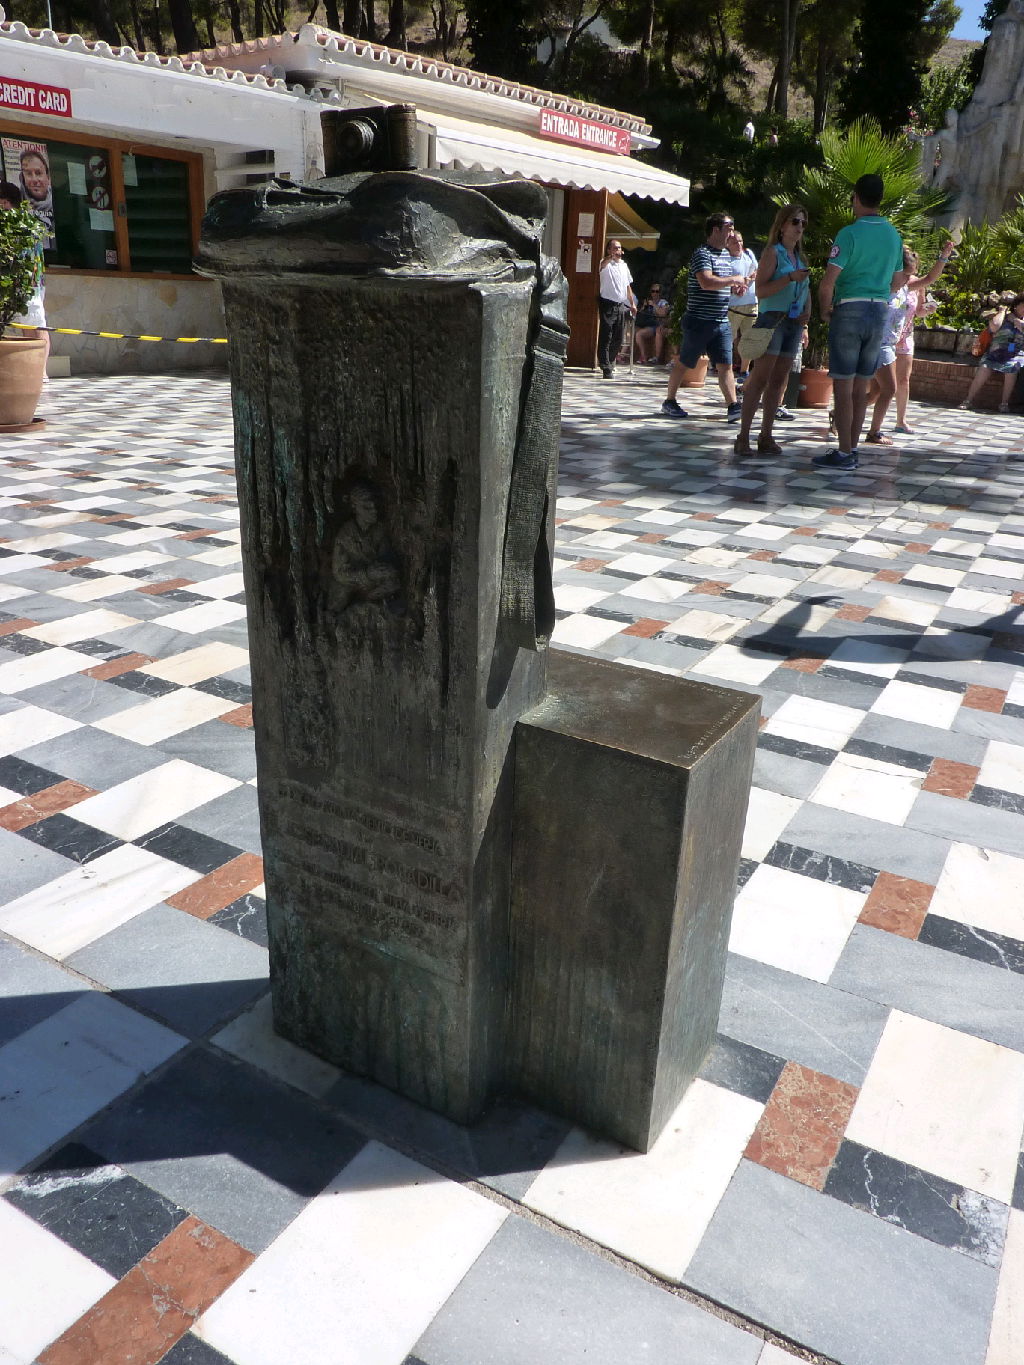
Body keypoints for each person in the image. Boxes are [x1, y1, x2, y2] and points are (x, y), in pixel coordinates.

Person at [815, 173, 904, 470]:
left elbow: (828, 282)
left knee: (842, 384)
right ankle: (851, 449)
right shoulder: (894, 235)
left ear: (856, 196)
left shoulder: (849, 233)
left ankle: (843, 451)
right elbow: (899, 279)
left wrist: (825, 310)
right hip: (879, 311)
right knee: (862, 384)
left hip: (849, 308)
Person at [733, 203, 811, 457]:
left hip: (793, 323)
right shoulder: (772, 253)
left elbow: (805, 289)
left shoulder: (800, 258)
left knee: (779, 382)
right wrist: (788, 278)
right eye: (795, 222)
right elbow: (760, 290)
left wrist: (806, 316)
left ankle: (766, 434)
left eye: (802, 223)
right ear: (783, 225)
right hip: (772, 319)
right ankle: (743, 435)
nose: (799, 227)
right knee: (760, 379)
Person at [863, 242, 955, 443]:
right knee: (888, 389)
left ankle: (843, 415)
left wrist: (943, 257)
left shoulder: (905, 287)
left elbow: (930, 278)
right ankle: (872, 432)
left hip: (891, 344)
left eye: (910, 275)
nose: (908, 278)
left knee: (877, 391)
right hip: (877, 344)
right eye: (905, 274)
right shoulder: (880, 288)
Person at [661, 212, 743, 423]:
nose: (732, 232)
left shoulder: (725, 255)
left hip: (720, 321)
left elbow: (722, 284)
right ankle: (669, 400)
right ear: (716, 229)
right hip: (699, 320)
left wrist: (735, 289)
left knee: (725, 364)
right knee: (686, 362)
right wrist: (732, 279)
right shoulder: (702, 254)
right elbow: (706, 282)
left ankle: (733, 405)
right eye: (729, 227)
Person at [0, 182, 49, 375]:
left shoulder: (21, 223)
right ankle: (32, 372)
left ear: (5, 202)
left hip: (29, 285)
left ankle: (40, 373)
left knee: (35, 327)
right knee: (28, 328)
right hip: (17, 286)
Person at [959, 295, 1024, 412]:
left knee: (1012, 369)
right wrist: (1002, 312)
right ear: (1016, 305)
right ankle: (968, 400)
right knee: (984, 368)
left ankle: (1004, 403)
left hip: (1014, 355)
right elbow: (994, 326)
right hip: (994, 354)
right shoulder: (1004, 317)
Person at [597, 239, 636, 379]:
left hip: (620, 305)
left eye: (619, 248)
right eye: (615, 248)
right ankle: (605, 366)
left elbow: (627, 287)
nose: (618, 251)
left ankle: (610, 361)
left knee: (618, 337)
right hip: (607, 303)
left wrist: (632, 304)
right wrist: (610, 257)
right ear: (609, 250)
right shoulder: (605, 264)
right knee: (606, 335)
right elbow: (602, 264)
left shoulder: (624, 266)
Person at [726, 231, 759, 383]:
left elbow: (756, 270)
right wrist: (734, 287)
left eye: (740, 241)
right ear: (728, 245)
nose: (738, 244)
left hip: (752, 303)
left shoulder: (749, 254)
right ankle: (726, 369)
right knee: (729, 339)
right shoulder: (726, 261)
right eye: (734, 242)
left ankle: (744, 371)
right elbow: (722, 282)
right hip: (733, 307)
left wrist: (753, 277)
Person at [18, 147, 54, 247]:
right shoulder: (16, 209)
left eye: (38, 173)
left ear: (48, 177)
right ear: (22, 178)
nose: (34, 179)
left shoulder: (59, 205)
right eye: (29, 174)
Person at [634, 283, 670, 364]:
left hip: (657, 325)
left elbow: (663, 313)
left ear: (660, 293)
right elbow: (641, 315)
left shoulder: (663, 302)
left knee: (643, 333)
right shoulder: (647, 301)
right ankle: (643, 357)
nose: (654, 293)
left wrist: (653, 305)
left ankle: (657, 358)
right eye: (653, 291)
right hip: (647, 325)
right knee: (635, 332)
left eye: (657, 291)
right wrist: (644, 307)